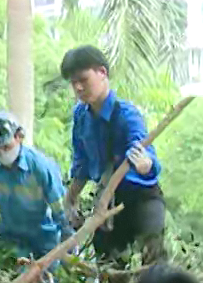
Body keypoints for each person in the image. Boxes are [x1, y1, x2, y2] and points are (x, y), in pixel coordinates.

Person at [61, 46, 164, 264]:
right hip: (105, 202)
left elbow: (146, 156)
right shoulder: (80, 116)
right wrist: (71, 198)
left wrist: (145, 164)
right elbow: (81, 163)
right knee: (110, 268)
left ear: (102, 73)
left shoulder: (127, 115)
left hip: (140, 195)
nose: (78, 88)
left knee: (153, 259)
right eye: (73, 83)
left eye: (83, 79)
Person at [0, 110, 74, 259]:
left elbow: (59, 206)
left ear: (19, 136)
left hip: (44, 240)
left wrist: (67, 236)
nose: (1, 153)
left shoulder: (40, 166)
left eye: (6, 147)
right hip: (9, 238)